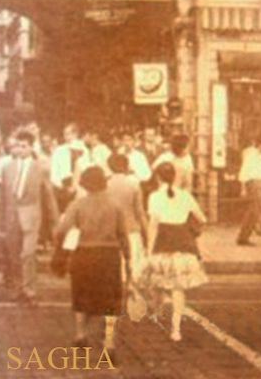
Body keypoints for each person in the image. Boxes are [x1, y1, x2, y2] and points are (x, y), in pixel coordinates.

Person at [54, 166, 129, 358]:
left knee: (81, 294)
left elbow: (62, 230)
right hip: (109, 254)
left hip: (84, 254)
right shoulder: (115, 205)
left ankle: (81, 333)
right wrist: (128, 259)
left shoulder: (77, 205)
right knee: (111, 299)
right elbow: (123, 235)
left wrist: (63, 250)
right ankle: (109, 342)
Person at [141, 162, 207, 342]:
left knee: (157, 283)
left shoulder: (154, 196)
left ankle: (156, 313)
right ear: (175, 176)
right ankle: (175, 329)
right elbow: (202, 218)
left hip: (162, 242)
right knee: (178, 289)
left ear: (158, 177)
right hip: (184, 242)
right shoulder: (186, 195)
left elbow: (153, 224)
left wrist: (148, 249)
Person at [0, 131, 59, 305]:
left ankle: (30, 290)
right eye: (18, 146)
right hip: (11, 215)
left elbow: (49, 195)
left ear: (32, 147)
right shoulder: (7, 168)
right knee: (13, 254)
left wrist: (56, 220)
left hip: (31, 214)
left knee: (28, 253)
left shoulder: (40, 167)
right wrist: (0, 222)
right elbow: (3, 197)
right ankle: (17, 288)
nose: (20, 149)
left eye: (24, 146)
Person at [107, 153, 147, 279]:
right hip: (131, 230)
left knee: (113, 273)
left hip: (110, 232)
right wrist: (146, 233)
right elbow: (139, 212)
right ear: (126, 166)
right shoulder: (133, 184)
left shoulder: (105, 185)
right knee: (134, 271)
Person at [50, 123, 87, 212]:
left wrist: (77, 186)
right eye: (65, 134)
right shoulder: (59, 151)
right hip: (64, 188)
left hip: (81, 187)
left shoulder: (84, 150)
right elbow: (54, 172)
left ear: (77, 134)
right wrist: (63, 188)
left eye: (70, 133)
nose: (68, 137)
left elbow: (86, 168)